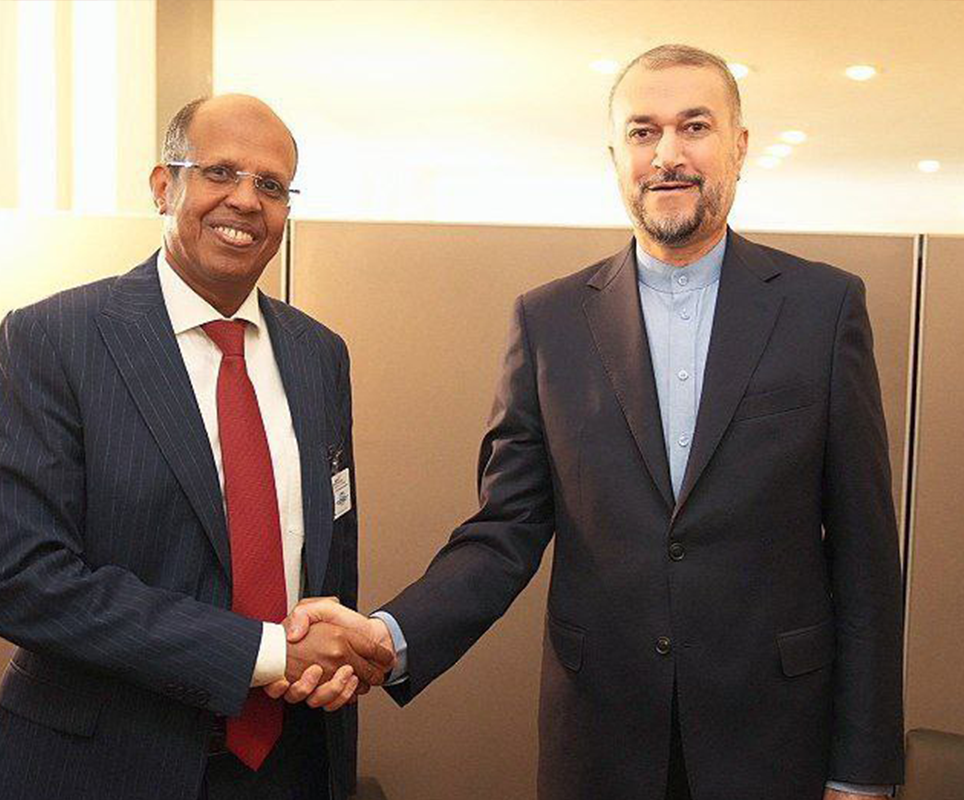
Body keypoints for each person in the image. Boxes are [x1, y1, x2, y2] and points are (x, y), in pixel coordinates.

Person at [285, 45, 904, 800]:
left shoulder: (823, 308)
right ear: (616, 155)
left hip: (775, 742)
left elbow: (866, 559)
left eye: (695, 127)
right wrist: (390, 634)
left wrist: (864, 773)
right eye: (643, 132)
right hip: (603, 744)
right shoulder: (548, 322)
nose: (668, 154)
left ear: (740, 146)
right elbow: (505, 529)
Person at [0, 94, 390, 800]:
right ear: (165, 186)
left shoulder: (320, 354)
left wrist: (337, 655)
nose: (246, 201)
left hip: (289, 766)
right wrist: (265, 652)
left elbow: (326, 558)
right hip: (102, 766)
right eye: (220, 172)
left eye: (272, 185)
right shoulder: (57, 339)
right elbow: (21, 580)